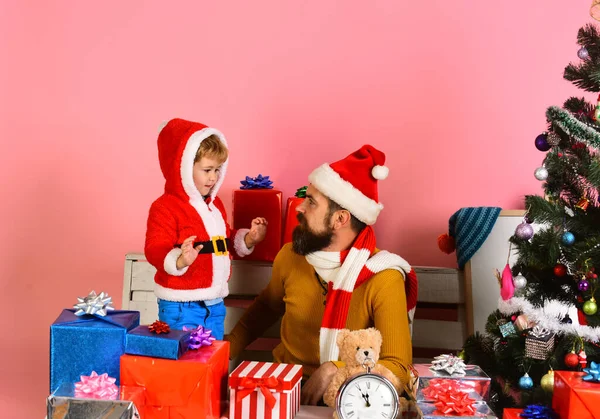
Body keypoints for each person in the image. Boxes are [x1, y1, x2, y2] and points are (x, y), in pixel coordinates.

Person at [225, 144, 417, 405]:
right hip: (280, 391)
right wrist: (218, 356)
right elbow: (260, 314)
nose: (299, 208)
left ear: (340, 219)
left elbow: (397, 368)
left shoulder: (383, 277)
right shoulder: (290, 256)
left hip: (345, 399)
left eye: (311, 202)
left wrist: (336, 370)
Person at [144, 118, 267, 339]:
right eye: (207, 170)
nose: (213, 177)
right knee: (184, 366)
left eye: (218, 170)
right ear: (182, 168)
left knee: (211, 363)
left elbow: (224, 240)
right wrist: (180, 260)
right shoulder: (165, 207)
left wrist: (248, 239)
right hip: (181, 306)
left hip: (215, 305)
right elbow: (155, 247)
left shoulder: (214, 205)